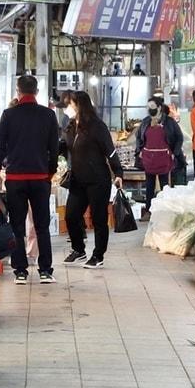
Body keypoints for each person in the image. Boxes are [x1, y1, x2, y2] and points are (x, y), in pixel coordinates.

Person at [0, 75, 60, 285]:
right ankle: (45, 270)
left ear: (18, 91)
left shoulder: (8, 115)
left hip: (15, 179)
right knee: (41, 226)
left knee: (17, 226)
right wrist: (50, 171)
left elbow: (0, 145)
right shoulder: (48, 115)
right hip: (40, 179)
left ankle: (20, 271)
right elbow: (54, 148)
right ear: (36, 92)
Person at [60, 91, 124, 269]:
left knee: (99, 219)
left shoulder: (97, 126)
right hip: (78, 180)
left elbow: (110, 151)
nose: (68, 109)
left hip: (98, 179)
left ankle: (98, 254)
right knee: (71, 216)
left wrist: (118, 172)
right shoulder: (72, 126)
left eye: (70, 105)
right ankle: (79, 249)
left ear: (79, 105)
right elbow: (65, 146)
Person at [135, 96, 184, 222]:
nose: (150, 110)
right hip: (149, 159)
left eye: (152, 108)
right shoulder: (145, 122)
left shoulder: (169, 122)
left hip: (164, 158)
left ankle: (165, 210)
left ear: (159, 108)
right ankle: (149, 211)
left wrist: (175, 152)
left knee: (165, 186)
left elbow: (179, 137)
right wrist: (140, 151)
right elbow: (139, 137)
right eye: (148, 108)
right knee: (149, 186)